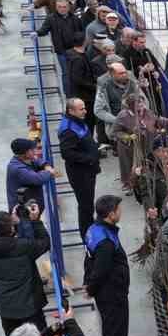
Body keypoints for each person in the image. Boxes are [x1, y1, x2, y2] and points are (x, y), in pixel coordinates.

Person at [84, 195, 142, 336]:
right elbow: (100, 270)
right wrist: (91, 288)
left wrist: (88, 283)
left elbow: (88, 259)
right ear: (111, 214)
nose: (121, 212)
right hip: (111, 293)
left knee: (116, 329)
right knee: (114, 332)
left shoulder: (95, 229)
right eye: (118, 210)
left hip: (111, 291)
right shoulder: (105, 242)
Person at [0, 206, 51, 336]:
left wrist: (13, 224)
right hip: (29, 307)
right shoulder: (23, 247)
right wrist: (35, 221)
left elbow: (9, 243)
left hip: (6, 308)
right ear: (12, 228)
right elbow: (45, 242)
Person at [58, 98, 102, 240]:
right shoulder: (68, 130)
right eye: (81, 109)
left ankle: (90, 226)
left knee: (88, 203)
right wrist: (89, 158)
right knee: (85, 205)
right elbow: (67, 153)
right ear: (71, 111)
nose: (85, 111)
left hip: (88, 170)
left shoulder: (78, 121)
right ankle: (87, 235)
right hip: (80, 174)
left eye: (84, 108)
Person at [5, 137, 55, 209]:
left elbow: (37, 160)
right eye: (31, 150)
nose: (35, 151)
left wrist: (45, 165)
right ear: (24, 153)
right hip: (22, 211)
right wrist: (49, 172)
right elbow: (38, 179)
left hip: (32, 206)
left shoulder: (25, 159)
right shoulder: (17, 168)